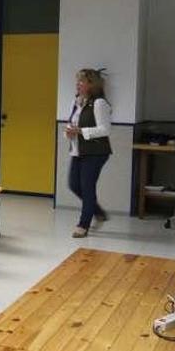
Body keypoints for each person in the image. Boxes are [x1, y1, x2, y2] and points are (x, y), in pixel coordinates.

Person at [66, 69, 112, 238]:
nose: (78, 85)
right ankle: (98, 212)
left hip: (96, 151)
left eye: (82, 82)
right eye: (77, 81)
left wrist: (81, 131)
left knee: (87, 187)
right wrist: (69, 132)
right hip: (78, 150)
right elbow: (72, 125)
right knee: (73, 184)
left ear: (91, 85)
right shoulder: (77, 102)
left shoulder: (99, 103)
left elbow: (105, 129)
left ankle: (83, 225)